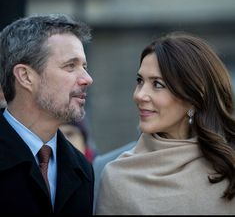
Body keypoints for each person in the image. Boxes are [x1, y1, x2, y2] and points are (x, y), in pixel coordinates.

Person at [95, 31, 235, 215]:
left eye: (158, 84)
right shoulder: (117, 176)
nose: (139, 95)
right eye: (140, 81)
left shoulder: (228, 167)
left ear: (193, 97)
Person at [0, 13, 94, 215]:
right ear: (25, 76)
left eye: (84, 66)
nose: (87, 79)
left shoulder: (82, 169)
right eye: (70, 66)